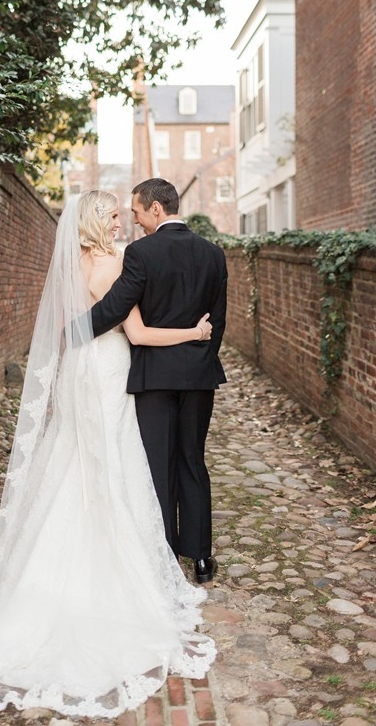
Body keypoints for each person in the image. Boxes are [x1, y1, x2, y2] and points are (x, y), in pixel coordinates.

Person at [0, 190, 216, 719]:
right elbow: (136, 331)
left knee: (75, 458)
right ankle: (123, 564)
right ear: (98, 222)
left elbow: (69, 329)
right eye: (114, 215)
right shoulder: (121, 262)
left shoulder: (69, 265)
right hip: (113, 369)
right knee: (115, 462)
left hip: (81, 369)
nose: (123, 222)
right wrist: (196, 330)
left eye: (125, 213)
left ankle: (47, 568)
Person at [89, 178, 228, 585]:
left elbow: (117, 305)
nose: (133, 221)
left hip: (154, 375)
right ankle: (201, 559)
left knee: (158, 464)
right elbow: (216, 321)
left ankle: (166, 551)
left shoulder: (141, 252)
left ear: (155, 209)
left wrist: (74, 330)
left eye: (135, 212)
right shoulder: (213, 254)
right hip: (198, 374)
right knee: (192, 459)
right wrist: (200, 356)